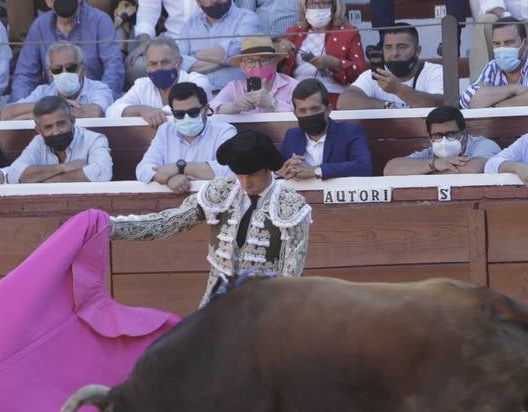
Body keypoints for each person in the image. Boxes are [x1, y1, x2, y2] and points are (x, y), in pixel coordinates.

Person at [110, 128, 311, 308]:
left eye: (252, 175)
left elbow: (291, 273)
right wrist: (111, 227)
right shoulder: (221, 191)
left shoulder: (290, 205)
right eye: (239, 175)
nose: (244, 183)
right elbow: (168, 223)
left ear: (268, 168)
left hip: (264, 306)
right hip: (216, 304)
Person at [13, 0, 125, 100]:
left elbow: (114, 68)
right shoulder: (40, 26)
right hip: (54, 104)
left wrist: (101, 102)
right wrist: (20, 105)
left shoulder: (100, 21)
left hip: (94, 101)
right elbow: (25, 75)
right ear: (48, 0)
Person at [276, 0, 368, 107]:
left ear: (334, 5)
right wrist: (279, 54)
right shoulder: (293, 33)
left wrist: (335, 63)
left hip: (332, 94)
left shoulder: (348, 32)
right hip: (295, 95)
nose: (317, 7)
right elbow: (276, 72)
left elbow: (361, 71)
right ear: (305, 6)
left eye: (323, 2)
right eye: (312, 3)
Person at [135, 81, 237, 190]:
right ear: (173, 113)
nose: (186, 118)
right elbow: (143, 169)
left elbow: (232, 169)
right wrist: (170, 178)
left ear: (206, 109)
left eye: (193, 112)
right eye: (179, 114)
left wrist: (180, 168)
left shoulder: (224, 131)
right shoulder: (165, 131)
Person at [175, 0, 262, 90]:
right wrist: (229, 61)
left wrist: (196, 55)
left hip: (239, 96)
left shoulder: (248, 18)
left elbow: (238, 49)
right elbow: (181, 64)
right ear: (198, 1)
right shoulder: (189, 26)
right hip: (199, 97)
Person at [4, 95, 114, 183]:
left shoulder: (94, 139)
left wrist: (46, 180)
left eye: (61, 124)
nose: (56, 132)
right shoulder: (38, 141)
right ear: (38, 130)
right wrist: (64, 168)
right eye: (48, 127)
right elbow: (14, 174)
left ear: (72, 120)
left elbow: (103, 173)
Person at [277, 78, 372, 179]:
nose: (309, 115)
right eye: (302, 110)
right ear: (295, 113)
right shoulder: (292, 136)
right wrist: (283, 171)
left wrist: (317, 171)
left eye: (315, 109)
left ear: (328, 109)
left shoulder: (350, 132)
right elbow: (278, 170)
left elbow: (364, 167)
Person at [460, 20, 528, 108]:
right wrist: (514, 89)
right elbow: (467, 100)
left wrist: (494, 104)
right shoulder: (492, 67)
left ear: (526, 44)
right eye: (497, 44)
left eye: (509, 42)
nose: (502, 48)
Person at [338, 22, 446, 109]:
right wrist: (385, 106)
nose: (394, 53)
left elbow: (440, 104)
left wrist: (397, 89)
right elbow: (344, 101)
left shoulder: (434, 72)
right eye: (388, 47)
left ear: (418, 51)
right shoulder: (375, 74)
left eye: (402, 47)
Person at [5, 41, 115, 118]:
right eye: (57, 69)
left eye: (70, 67)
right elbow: (7, 113)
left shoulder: (99, 89)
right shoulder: (43, 92)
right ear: (50, 73)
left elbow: (95, 113)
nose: (64, 72)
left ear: (83, 69)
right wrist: (55, 105)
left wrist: (42, 112)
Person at [383, 104, 498, 175]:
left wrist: (428, 174)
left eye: (451, 134)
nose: (444, 140)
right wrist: (436, 164)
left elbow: (475, 168)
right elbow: (390, 169)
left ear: (465, 133)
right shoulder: (430, 152)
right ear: (430, 137)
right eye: (437, 135)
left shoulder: (484, 144)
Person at [212, 34, 298, 114]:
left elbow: (302, 115)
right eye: (250, 61)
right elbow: (209, 109)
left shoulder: (292, 86)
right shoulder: (235, 87)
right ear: (243, 66)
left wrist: (273, 103)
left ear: (275, 61)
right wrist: (233, 106)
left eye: (263, 60)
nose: (258, 66)